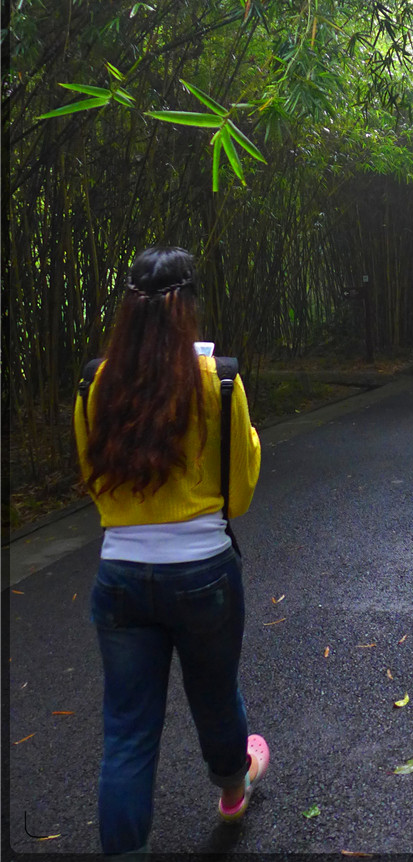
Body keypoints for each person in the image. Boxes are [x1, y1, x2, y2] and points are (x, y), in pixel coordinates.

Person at [74, 246, 265, 857]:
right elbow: (238, 494)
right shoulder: (220, 379)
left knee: (127, 732)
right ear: (189, 309)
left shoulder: (94, 383)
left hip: (121, 573)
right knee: (215, 692)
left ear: (128, 311)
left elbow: (93, 481)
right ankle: (233, 792)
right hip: (203, 572)